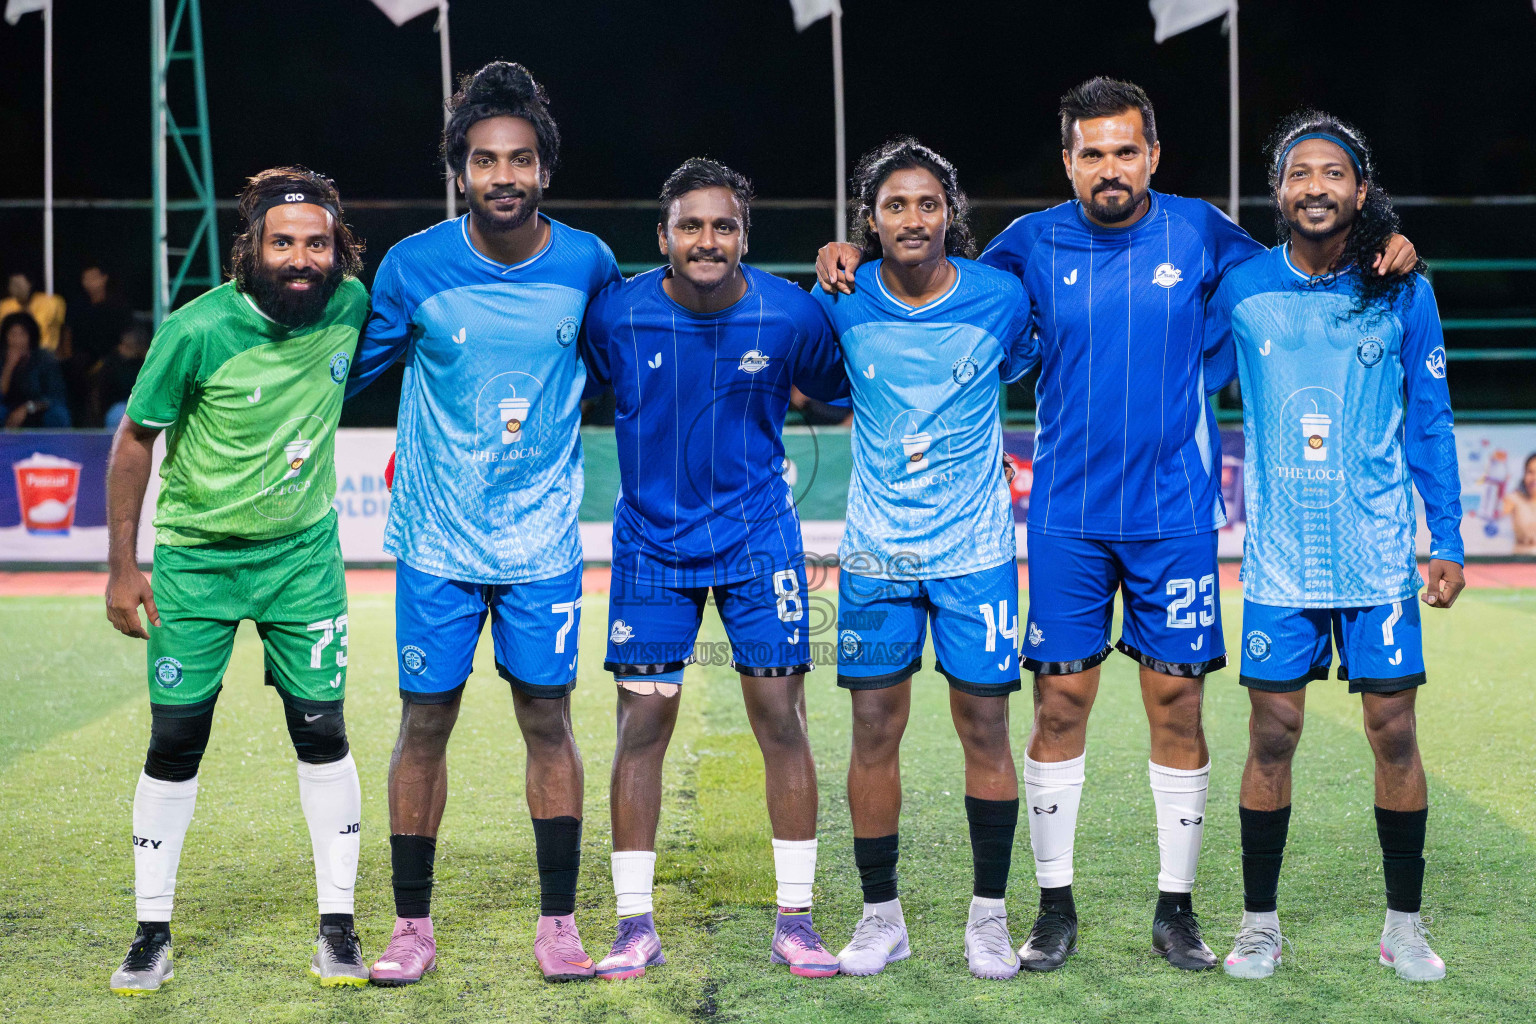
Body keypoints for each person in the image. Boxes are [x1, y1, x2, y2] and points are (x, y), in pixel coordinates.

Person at [815, 77, 1421, 973]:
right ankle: (1054, 908)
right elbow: (939, 275)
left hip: (1175, 515)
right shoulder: (1029, 243)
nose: (1109, 167)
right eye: (1090, 152)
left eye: (1124, 150)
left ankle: (1175, 910)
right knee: (1059, 703)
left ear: (1153, 155)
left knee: (1177, 703)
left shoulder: (1202, 230)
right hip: (1066, 517)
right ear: (1068, 161)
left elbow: (1302, 261)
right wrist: (851, 252)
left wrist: (1386, 239)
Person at [347, 61, 620, 986]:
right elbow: (340, 373)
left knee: (549, 720)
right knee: (424, 724)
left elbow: (632, 365)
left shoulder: (588, 263)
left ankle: (558, 924)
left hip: (542, 542)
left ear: (545, 168)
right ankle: (411, 927)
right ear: (459, 170)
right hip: (436, 540)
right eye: (484, 161)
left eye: (521, 160)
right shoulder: (412, 265)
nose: (503, 176)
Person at [102, 167, 370, 994]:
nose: (300, 258)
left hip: (303, 562)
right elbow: (135, 440)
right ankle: (151, 931)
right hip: (197, 563)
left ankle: (339, 928)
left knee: (321, 731)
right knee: (175, 740)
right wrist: (121, 567)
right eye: (282, 242)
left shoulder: (352, 307)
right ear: (249, 248)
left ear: (338, 252)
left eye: (316, 243)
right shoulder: (196, 330)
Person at [579, 159, 847, 980]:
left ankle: (795, 920)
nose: (706, 239)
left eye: (722, 225)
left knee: (780, 720)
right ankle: (634, 926)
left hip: (759, 545)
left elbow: (836, 398)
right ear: (662, 237)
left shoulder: (789, 313)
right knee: (643, 728)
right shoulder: (618, 316)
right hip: (652, 553)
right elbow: (582, 388)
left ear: (743, 236)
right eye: (689, 225)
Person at [1214, 111, 1463, 983]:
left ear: (1361, 189)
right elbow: (1186, 383)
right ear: (1278, 192)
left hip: (1377, 553)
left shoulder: (1404, 287)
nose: (1314, 186)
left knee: (1393, 731)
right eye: (1297, 173)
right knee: (1271, 733)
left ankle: (1403, 926)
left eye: (1333, 173)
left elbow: (1430, 419)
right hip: (1281, 556)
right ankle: (1257, 926)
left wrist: (1450, 537)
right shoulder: (1241, 288)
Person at [815, 138, 1037, 980]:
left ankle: (989, 918)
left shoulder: (1002, 299)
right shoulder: (841, 294)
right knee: (873, 731)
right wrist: (830, 262)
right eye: (895, 205)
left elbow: (1031, 361)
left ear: (952, 215)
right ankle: (882, 918)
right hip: (876, 553)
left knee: (985, 727)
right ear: (870, 221)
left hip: (976, 551)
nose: (913, 218)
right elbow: (815, 379)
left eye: (928, 204)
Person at [66, 264, 135, 426]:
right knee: (73, 369)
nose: (89, 282)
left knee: (106, 375)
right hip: (84, 356)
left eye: (93, 278)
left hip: (113, 355)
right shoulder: (78, 305)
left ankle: (100, 421)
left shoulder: (118, 305)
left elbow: (127, 336)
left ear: (104, 278)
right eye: (86, 278)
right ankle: (76, 423)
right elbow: (67, 333)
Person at [1, 311, 71, 428]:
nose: (17, 340)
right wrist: (9, 366)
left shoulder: (45, 359)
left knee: (58, 415)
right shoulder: (2, 359)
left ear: (30, 336)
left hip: (39, 408)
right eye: (13, 334)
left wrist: (26, 408)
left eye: (22, 334)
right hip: (10, 408)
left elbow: (53, 396)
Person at [94, 322, 150, 429]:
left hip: (143, 407)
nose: (121, 348)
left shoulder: (148, 364)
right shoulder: (112, 364)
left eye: (128, 346)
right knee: (120, 415)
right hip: (119, 407)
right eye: (122, 344)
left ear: (139, 348)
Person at [0, 270, 66, 353]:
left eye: (19, 284)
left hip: (44, 353)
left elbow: (61, 329)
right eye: (13, 284)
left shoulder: (50, 302)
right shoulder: (4, 305)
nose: (16, 288)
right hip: (13, 354)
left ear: (29, 283)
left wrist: (24, 303)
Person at [1503, 453, 1536, 555]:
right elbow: (1494, 523)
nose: (1534, 477)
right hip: (1520, 562)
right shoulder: (1514, 499)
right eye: (1530, 472)